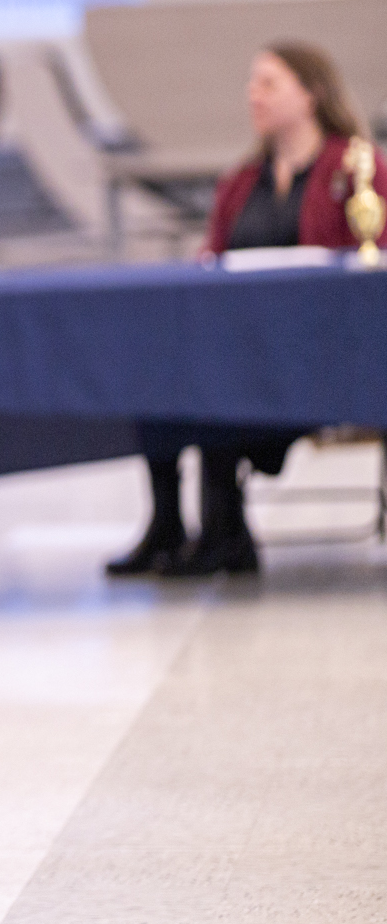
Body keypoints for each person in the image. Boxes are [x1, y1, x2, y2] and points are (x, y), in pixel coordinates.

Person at [109, 41, 385, 578]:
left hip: (325, 352)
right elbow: (211, 262)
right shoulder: (240, 182)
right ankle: (170, 524)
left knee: (221, 379)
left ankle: (223, 530)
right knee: (160, 369)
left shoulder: (356, 169)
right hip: (248, 348)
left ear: (311, 95)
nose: (252, 95)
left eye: (268, 83)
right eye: (252, 83)